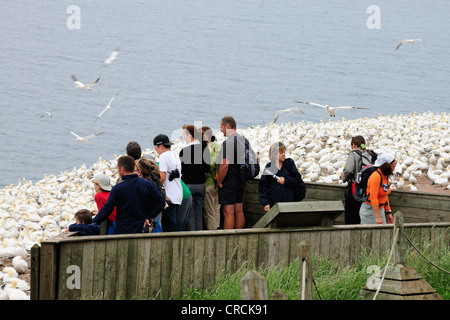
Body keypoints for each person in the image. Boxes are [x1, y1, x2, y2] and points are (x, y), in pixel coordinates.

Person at [92, 155, 166, 234]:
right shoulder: (147, 184)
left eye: (118, 169)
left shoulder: (117, 188)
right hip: (141, 229)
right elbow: (161, 202)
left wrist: (93, 222)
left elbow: (106, 210)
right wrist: (148, 216)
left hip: (123, 230)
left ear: (122, 169)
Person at [217, 116, 249, 229]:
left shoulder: (228, 142)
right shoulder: (243, 140)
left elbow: (225, 164)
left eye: (222, 127)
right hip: (241, 178)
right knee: (238, 210)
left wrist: (219, 181)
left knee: (228, 211)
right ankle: (239, 238)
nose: (221, 130)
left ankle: (228, 241)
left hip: (230, 180)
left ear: (228, 126)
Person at [258, 142, 305, 211]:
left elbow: (297, 179)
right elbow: (263, 186)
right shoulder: (269, 167)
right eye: (281, 153)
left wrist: (285, 181)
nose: (284, 154)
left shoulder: (289, 164)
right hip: (274, 205)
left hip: (289, 204)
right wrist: (265, 203)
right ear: (274, 155)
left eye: (284, 152)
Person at [179, 124, 210, 231]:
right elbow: (207, 168)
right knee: (199, 213)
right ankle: (200, 236)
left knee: (190, 215)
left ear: (189, 135)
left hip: (189, 185)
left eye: (184, 135)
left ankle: (193, 238)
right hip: (201, 184)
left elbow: (181, 170)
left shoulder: (184, 151)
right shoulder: (204, 148)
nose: (183, 137)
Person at [154, 134, 183, 232]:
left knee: (168, 226)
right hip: (178, 194)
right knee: (174, 223)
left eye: (155, 148)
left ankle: (172, 247)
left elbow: (162, 177)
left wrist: (154, 188)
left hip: (169, 197)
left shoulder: (163, 156)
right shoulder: (174, 154)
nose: (156, 151)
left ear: (160, 146)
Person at [359, 152, 396, 225]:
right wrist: (378, 217)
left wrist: (388, 212)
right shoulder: (376, 176)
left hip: (380, 210)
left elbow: (385, 194)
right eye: (394, 164)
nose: (395, 167)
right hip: (369, 211)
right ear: (388, 165)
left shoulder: (385, 176)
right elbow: (373, 197)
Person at [341, 135, 366, 224]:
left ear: (354, 145)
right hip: (364, 190)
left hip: (354, 188)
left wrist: (343, 178)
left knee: (351, 214)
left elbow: (349, 170)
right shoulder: (366, 155)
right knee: (359, 215)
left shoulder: (353, 154)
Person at [200, 126, 221, 230]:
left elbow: (210, 165)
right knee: (216, 209)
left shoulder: (208, 148)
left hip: (209, 182)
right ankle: (217, 229)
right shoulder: (219, 146)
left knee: (209, 211)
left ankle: (212, 234)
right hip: (219, 181)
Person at [136, 158, 164, 233]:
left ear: (139, 172)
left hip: (147, 220)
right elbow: (161, 202)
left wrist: (147, 217)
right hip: (155, 217)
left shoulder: (144, 185)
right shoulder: (154, 180)